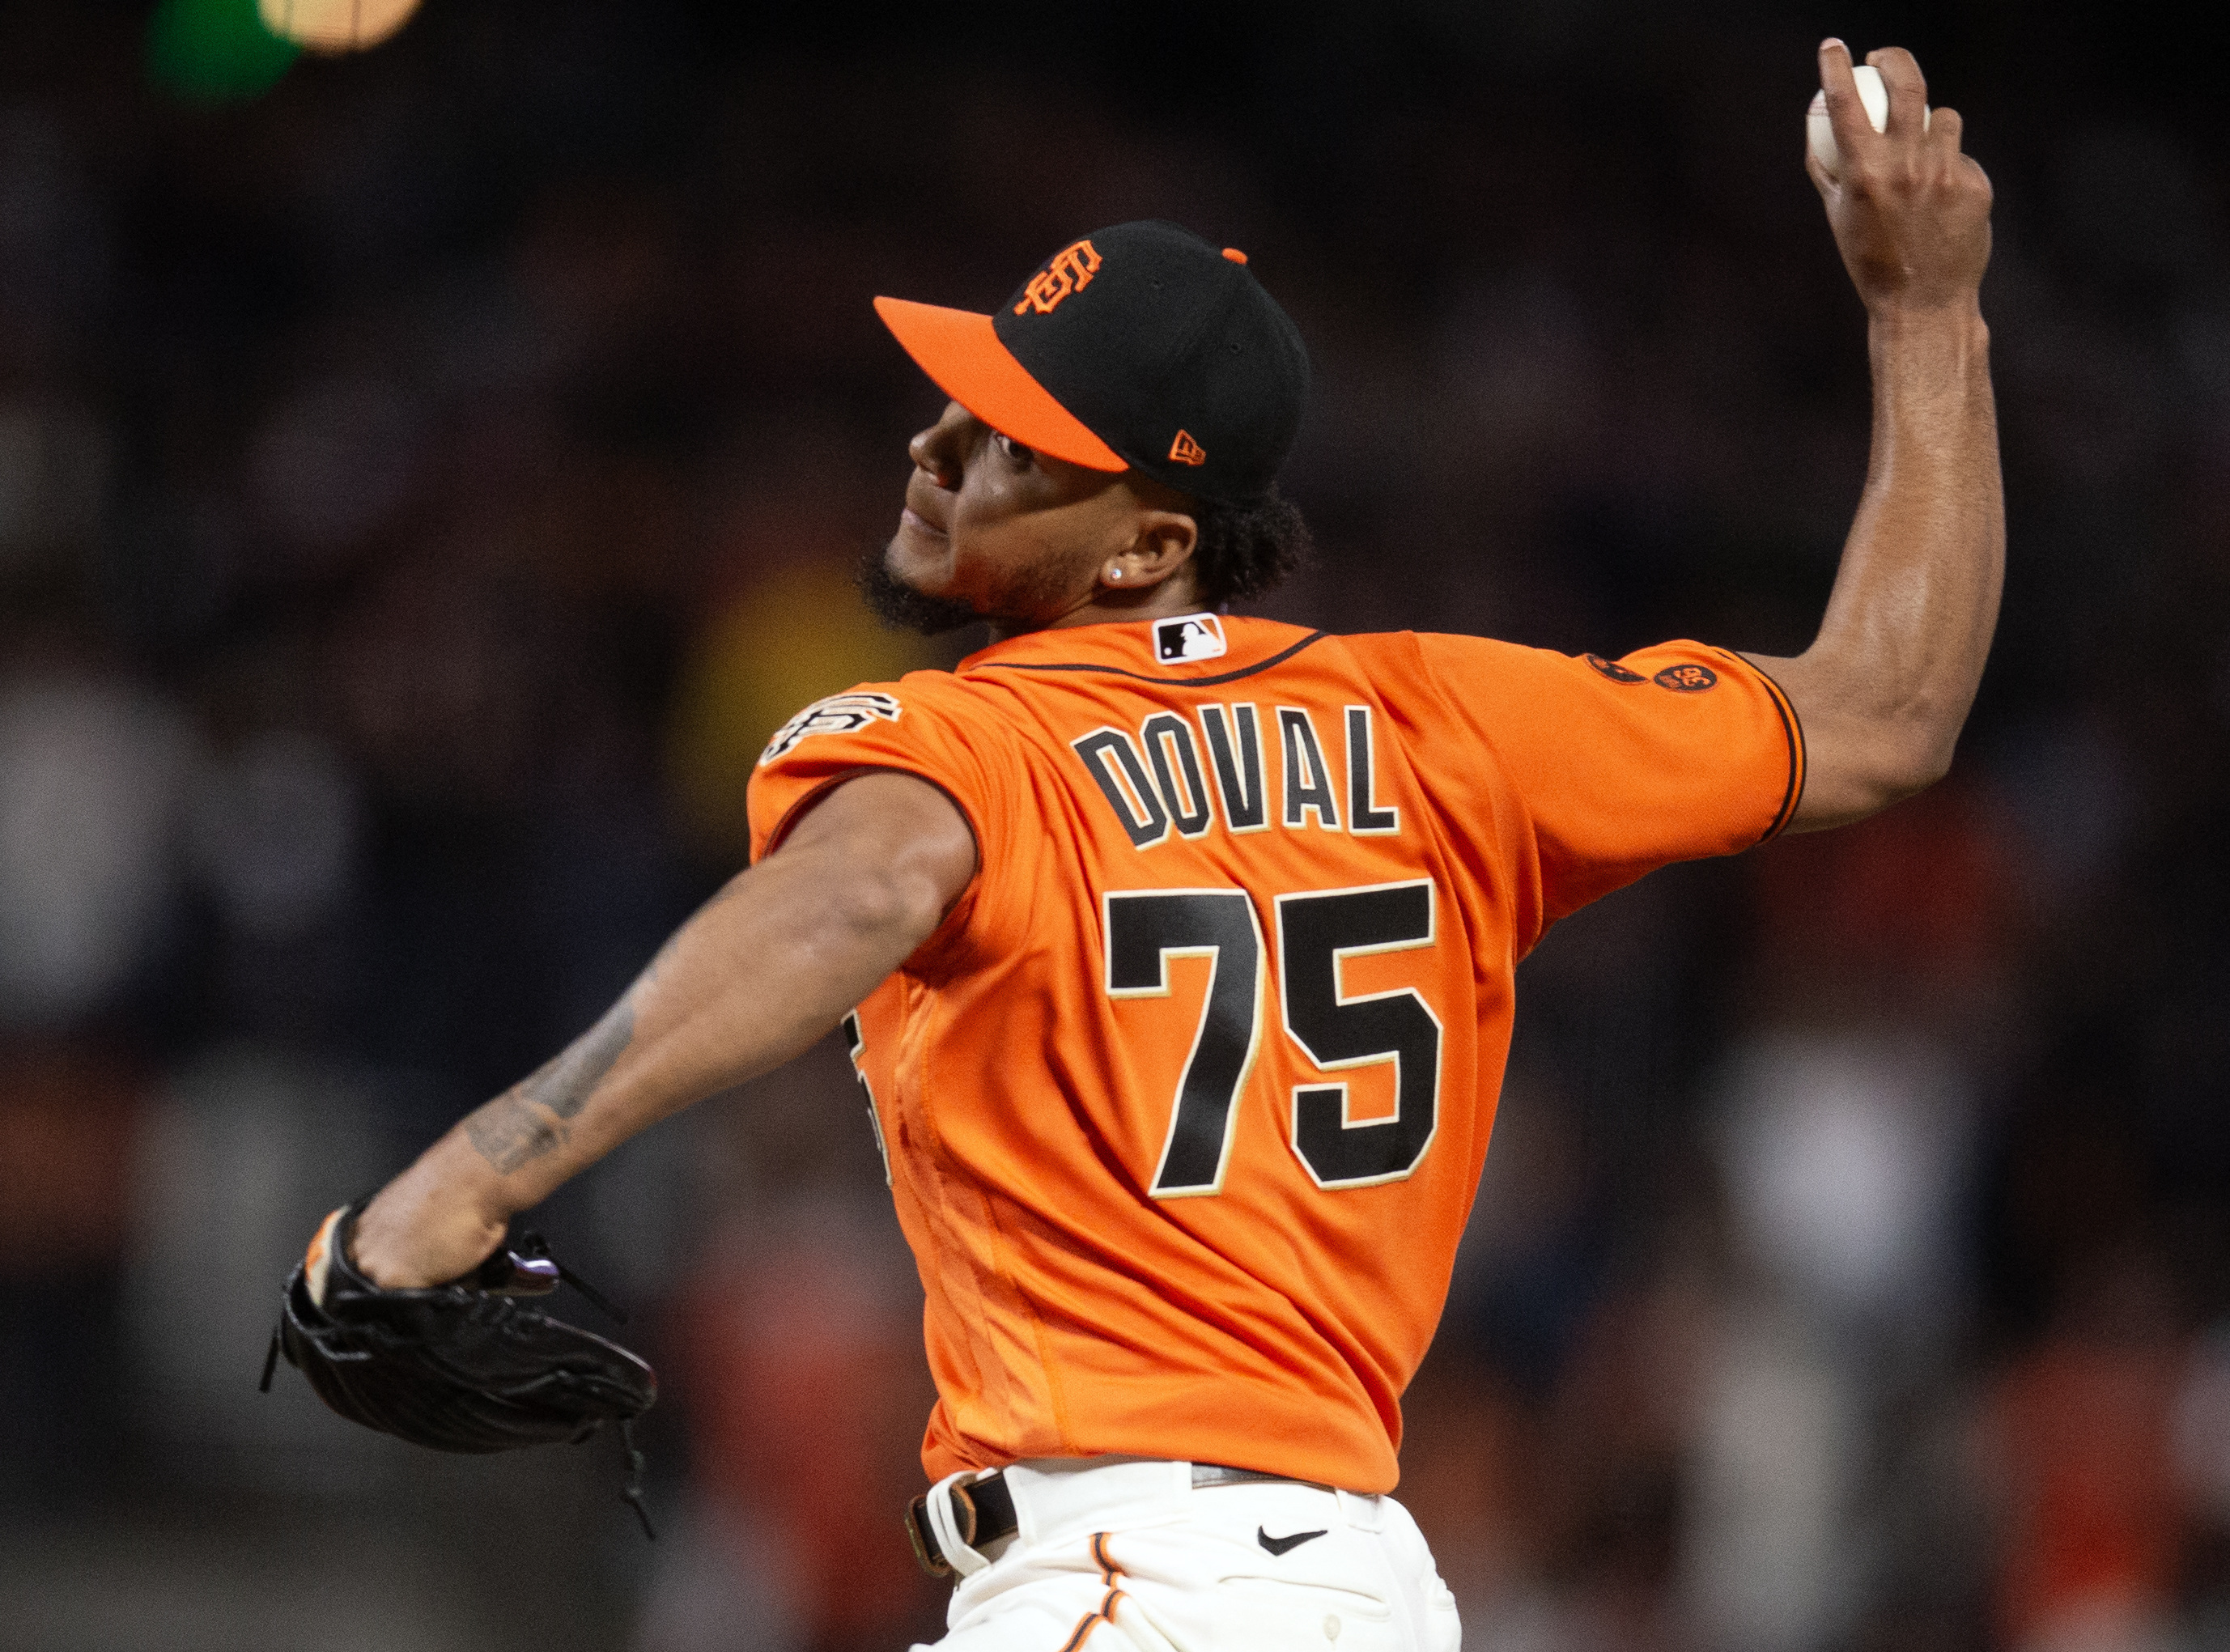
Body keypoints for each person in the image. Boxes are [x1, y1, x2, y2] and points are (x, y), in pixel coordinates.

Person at [345, 40, 1998, 1651]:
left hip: (1128, 1580)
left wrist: (464, 1179)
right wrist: (1926, 312)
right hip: (1350, 1586)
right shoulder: (1454, 725)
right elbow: (1884, 710)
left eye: (1011, 438)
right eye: (961, 394)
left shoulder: (965, 745)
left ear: (1149, 541)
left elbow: (864, 886)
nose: (934, 449)